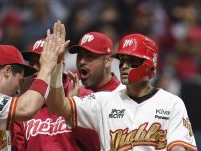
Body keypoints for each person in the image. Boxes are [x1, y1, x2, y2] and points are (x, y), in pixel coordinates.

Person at [48, 33, 197, 151]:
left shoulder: (171, 103)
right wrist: (56, 69)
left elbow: (178, 147)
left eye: (132, 61)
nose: (124, 66)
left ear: (149, 66)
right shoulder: (103, 101)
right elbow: (57, 107)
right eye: (122, 61)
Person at [12, 21, 92, 151]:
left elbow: (94, 145)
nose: (35, 68)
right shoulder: (24, 106)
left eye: (41, 61)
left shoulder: (83, 98)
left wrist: (72, 112)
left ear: (60, 64)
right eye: (32, 63)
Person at [68, 31, 125, 150]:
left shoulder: (124, 97)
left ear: (108, 61)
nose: (82, 61)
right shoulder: (74, 94)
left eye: (89, 56)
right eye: (80, 56)